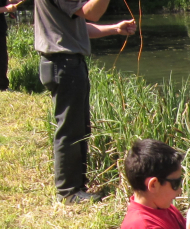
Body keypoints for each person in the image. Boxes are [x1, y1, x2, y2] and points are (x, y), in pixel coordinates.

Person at [34, 0, 135, 203]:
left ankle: (76, 187)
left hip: (66, 64)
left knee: (79, 128)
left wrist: (115, 28)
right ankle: (68, 192)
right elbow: (92, 13)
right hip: (64, 65)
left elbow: (82, 26)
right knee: (70, 129)